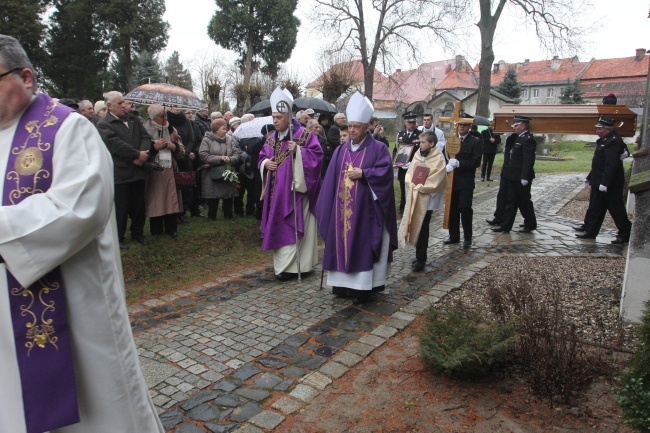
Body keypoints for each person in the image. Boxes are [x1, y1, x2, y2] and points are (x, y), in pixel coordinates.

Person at [0, 34, 163, 433]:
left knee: (96, 410)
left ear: (26, 77)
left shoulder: (68, 128)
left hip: (72, 300)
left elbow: (81, 208)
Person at [316, 92, 398, 302]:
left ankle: (362, 288)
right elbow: (331, 180)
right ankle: (341, 286)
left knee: (361, 244)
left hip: (365, 211)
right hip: (340, 212)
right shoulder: (340, 150)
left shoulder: (378, 148)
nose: (352, 130)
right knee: (340, 243)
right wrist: (327, 204)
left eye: (356, 127)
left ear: (367, 127)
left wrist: (365, 174)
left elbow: (386, 175)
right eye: (349, 126)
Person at [258, 87, 323, 280]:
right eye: (273, 117)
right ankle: (283, 266)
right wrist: (264, 164)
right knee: (278, 224)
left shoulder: (304, 135)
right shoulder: (270, 138)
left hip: (296, 193)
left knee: (294, 226)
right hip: (275, 194)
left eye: (279, 117)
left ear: (288, 116)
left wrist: (299, 152)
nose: (275, 121)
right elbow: (261, 156)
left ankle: (298, 266)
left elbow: (317, 157)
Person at [97, 91, 153, 249]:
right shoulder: (103, 124)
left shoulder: (133, 118)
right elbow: (114, 145)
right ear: (109, 106)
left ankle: (138, 233)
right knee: (121, 208)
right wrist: (135, 155)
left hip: (139, 171)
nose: (124, 106)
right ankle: (119, 237)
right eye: (120, 103)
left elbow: (145, 137)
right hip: (121, 173)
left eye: (124, 102)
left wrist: (143, 154)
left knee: (139, 206)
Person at [575, 116, 632, 244]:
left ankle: (625, 232)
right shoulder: (605, 140)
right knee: (597, 208)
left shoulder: (613, 141)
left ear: (608, 129)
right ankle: (591, 232)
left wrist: (605, 183)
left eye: (600, 128)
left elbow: (611, 164)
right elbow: (599, 163)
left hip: (610, 183)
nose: (597, 130)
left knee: (616, 209)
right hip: (600, 180)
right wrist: (590, 177)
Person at [397, 131, 448, 271]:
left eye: (423, 142)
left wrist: (422, 186)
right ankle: (418, 253)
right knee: (414, 222)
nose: (420, 144)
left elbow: (437, 177)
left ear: (431, 143)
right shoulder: (418, 154)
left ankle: (421, 258)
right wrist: (411, 183)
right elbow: (411, 171)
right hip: (415, 194)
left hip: (428, 196)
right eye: (419, 142)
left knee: (423, 226)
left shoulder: (438, 157)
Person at [142, 104, 186, 237]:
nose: (165, 118)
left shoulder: (172, 129)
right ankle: (156, 229)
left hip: (169, 169)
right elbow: (141, 150)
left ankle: (171, 228)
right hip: (154, 171)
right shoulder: (144, 130)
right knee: (156, 199)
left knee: (171, 197)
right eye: (162, 116)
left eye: (166, 115)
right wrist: (155, 146)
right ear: (154, 117)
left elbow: (182, 151)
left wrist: (174, 147)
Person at [492, 115, 538, 234]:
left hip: (520, 177)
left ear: (523, 126)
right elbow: (510, 152)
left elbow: (528, 160)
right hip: (512, 175)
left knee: (517, 201)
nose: (514, 127)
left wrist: (524, 176)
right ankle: (530, 223)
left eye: (516, 125)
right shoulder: (517, 138)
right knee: (522, 201)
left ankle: (506, 225)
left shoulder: (528, 139)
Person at [443, 113, 482, 247]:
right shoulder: (451, 140)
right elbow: (445, 156)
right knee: (452, 209)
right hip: (452, 181)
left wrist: (460, 164)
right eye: (460, 124)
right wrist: (447, 165)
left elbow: (476, 162)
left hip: (465, 181)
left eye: (464, 125)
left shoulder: (475, 141)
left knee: (465, 209)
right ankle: (454, 236)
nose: (461, 127)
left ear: (469, 126)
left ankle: (467, 237)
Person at [199, 118, 241, 220]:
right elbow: (203, 154)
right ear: (216, 129)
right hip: (212, 172)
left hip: (227, 169)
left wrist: (230, 159)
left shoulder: (229, 139)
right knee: (213, 193)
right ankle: (212, 216)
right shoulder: (207, 140)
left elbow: (236, 153)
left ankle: (228, 215)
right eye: (223, 128)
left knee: (228, 193)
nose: (225, 130)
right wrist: (219, 158)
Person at [395, 111, 421, 214]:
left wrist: (413, 163)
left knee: (415, 189)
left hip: (415, 168)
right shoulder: (400, 135)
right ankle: (403, 210)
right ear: (404, 122)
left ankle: (414, 210)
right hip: (403, 167)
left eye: (413, 122)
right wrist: (396, 161)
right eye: (409, 122)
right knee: (403, 190)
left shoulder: (421, 135)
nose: (412, 124)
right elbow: (396, 150)